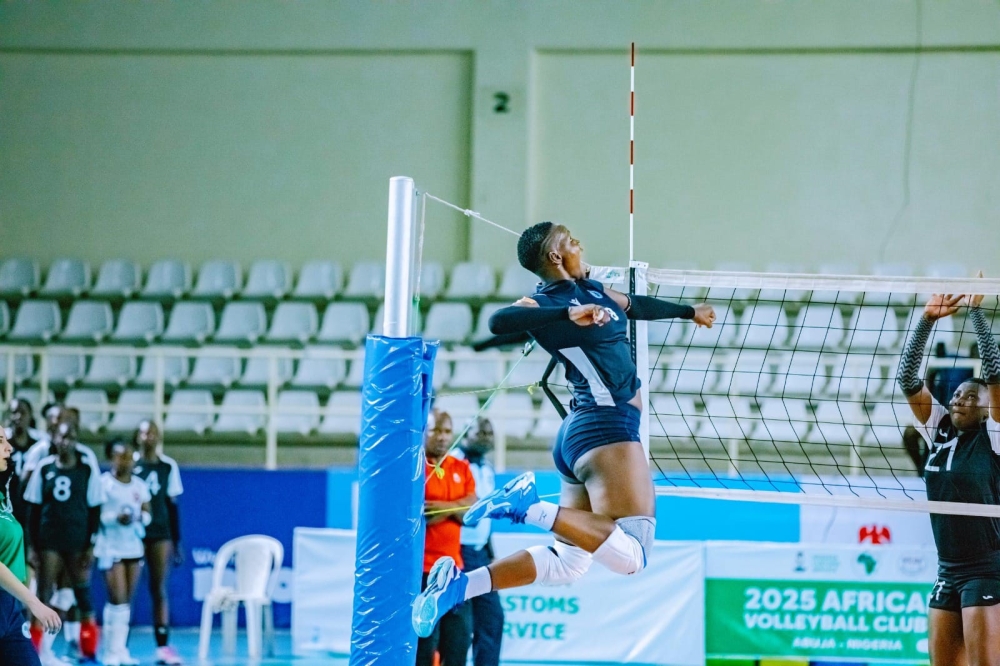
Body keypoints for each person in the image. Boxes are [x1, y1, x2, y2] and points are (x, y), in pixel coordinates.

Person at [412, 221, 715, 637]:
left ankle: (459, 587)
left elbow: (635, 305)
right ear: (555, 256)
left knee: (568, 563)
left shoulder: (594, 289)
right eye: (570, 240)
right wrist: (566, 313)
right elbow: (500, 321)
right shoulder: (544, 302)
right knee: (633, 555)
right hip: (606, 427)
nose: (579, 243)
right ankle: (527, 506)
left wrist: (688, 312)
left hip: (582, 430)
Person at [896, 287, 1000, 666]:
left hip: (987, 570)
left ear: (988, 408)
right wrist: (927, 320)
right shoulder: (939, 428)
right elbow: (907, 378)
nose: (959, 399)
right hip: (947, 568)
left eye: (972, 397)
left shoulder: (994, 436)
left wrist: (975, 313)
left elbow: (995, 373)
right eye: (957, 394)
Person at [23, 417, 105, 664]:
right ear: (53, 438)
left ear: (76, 439)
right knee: (44, 594)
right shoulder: (44, 467)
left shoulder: (86, 469)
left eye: (70, 437)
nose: (65, 442)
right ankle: (36, 652)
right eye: (61, 436)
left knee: (83, 595)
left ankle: (88, 650)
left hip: (78, 542)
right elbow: (33, 509)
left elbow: (95, 510)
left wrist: (91, 545)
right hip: (49, 541)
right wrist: (32, 545)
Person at [416, 410, 477, 666]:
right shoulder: (416, 468)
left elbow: (472, 513)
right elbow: (425, 515)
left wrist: (444, 507)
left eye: (447, 431)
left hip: (454, 571)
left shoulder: (461, 467)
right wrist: (457, 506)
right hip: (423, 573)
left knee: (459, 644)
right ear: (424, 432)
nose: (442, 437)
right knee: (425, 648)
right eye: (436, 431)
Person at [0, 428, 61, 665]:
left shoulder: (3, 495)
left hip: (9, 608)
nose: (9, 448)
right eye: (1, 442)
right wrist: (34, 603)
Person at [130, 420, 184, 665]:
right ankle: (119, 646)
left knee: (159, 588)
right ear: (137, 437)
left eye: (152, 432)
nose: (148, 436)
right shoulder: (129, 462)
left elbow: (172, 506)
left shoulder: (167, 466)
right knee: (126, 592)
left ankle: (163, 646)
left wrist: (177, 541)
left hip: (160, 533)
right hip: (132, 534)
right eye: (144, 432)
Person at [96, 437, 151, 666]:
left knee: (126, 601)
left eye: (129, 457)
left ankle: (121, 650)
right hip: (110, 547)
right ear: (112, 458)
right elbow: (95, 515)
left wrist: (136, 517)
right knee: (116, 599)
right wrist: (114, 518)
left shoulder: (139, 486)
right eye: (120, 456)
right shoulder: (103, 484)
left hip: (133, 548)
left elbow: (147, 514)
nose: (125, 461)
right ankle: (109, 652)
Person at [454, 417, 504, 666]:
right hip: (456, 552)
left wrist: (489, 549)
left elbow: (486, 516)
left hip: (480, 553)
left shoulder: (487, 468)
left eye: (489, 433)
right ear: (465, 435)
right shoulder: (452, 463)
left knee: (492, 619)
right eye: (480, 433)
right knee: (460, 626)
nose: (486, 438)